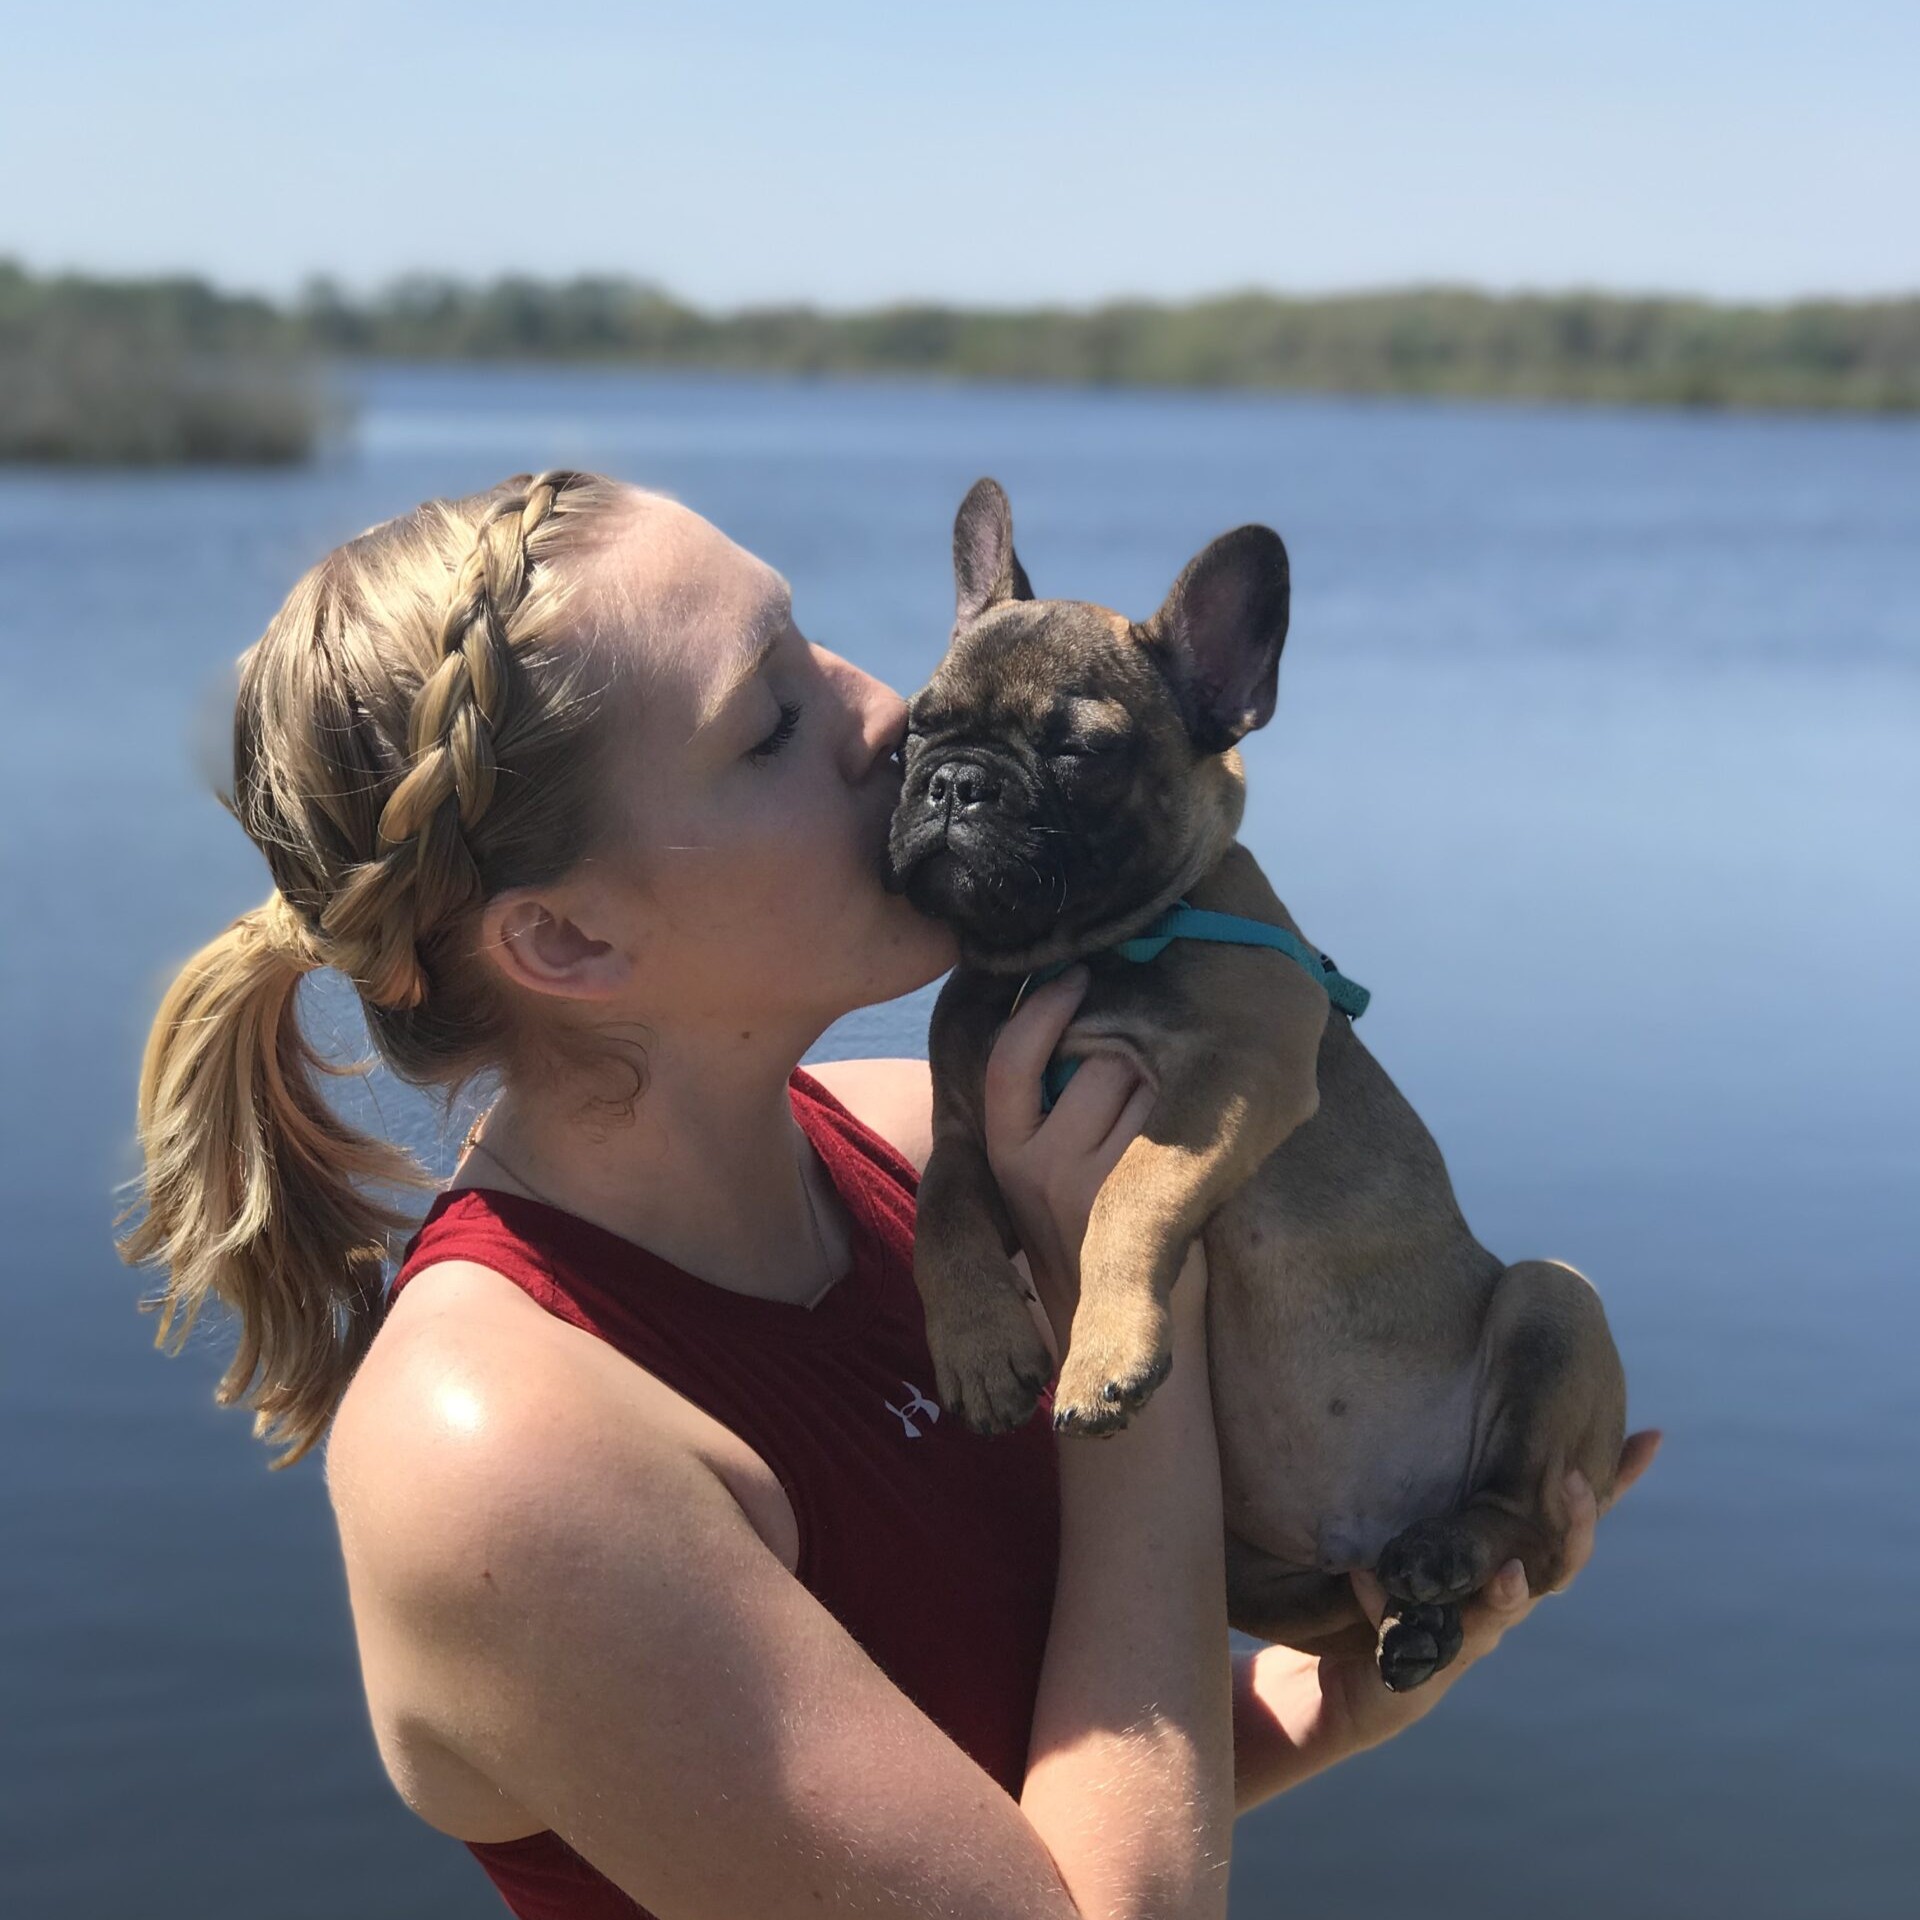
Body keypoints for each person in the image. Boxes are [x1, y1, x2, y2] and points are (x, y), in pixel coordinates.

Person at [116, 469, 1659, 1920]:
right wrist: (1140, 1325)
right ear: (570, 945)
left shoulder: (936, 1147)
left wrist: (1346, 1688)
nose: (893, 715)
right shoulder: (505, 1453)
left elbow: (1037, 1807)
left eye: (820, 640)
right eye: (772, 720)